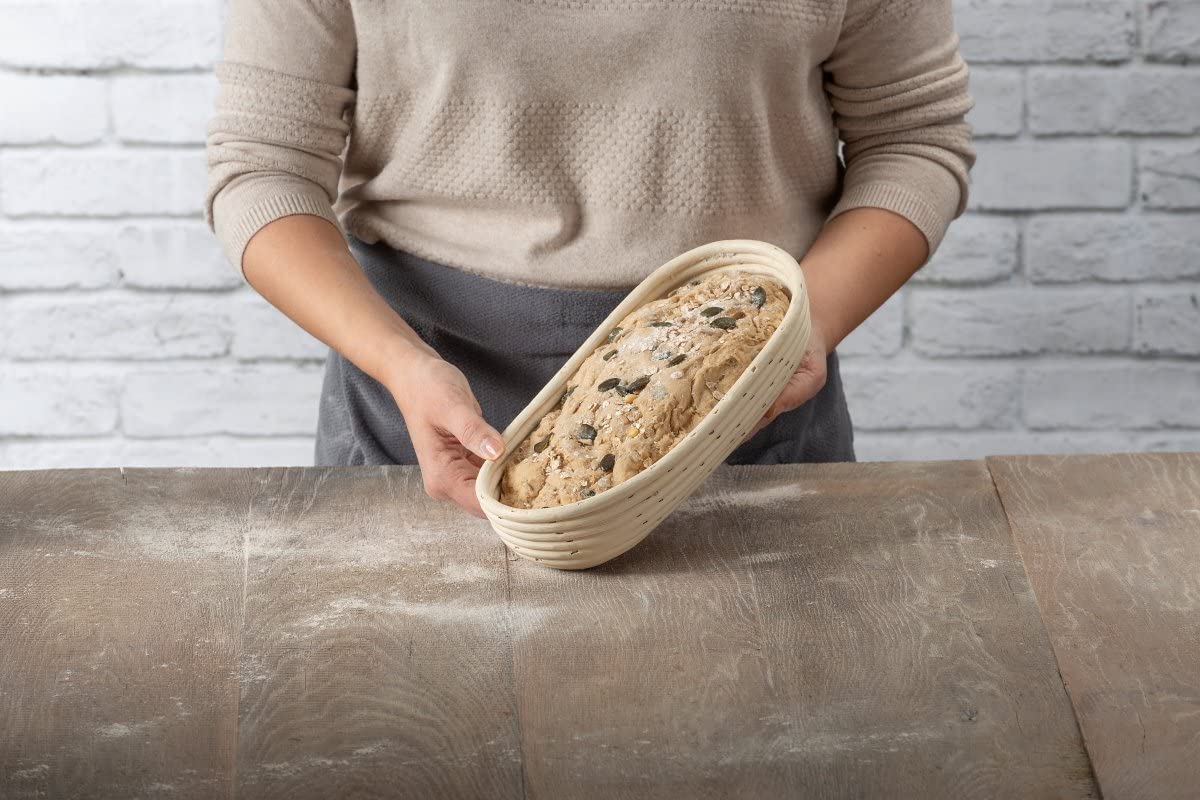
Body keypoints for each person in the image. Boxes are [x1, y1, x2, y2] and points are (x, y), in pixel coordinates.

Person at [205, 1, 975, 519]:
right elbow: (264, 170)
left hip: (742, 400)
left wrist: (809, 327)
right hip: (421, 407)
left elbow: (912, 139)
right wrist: (402, 365)